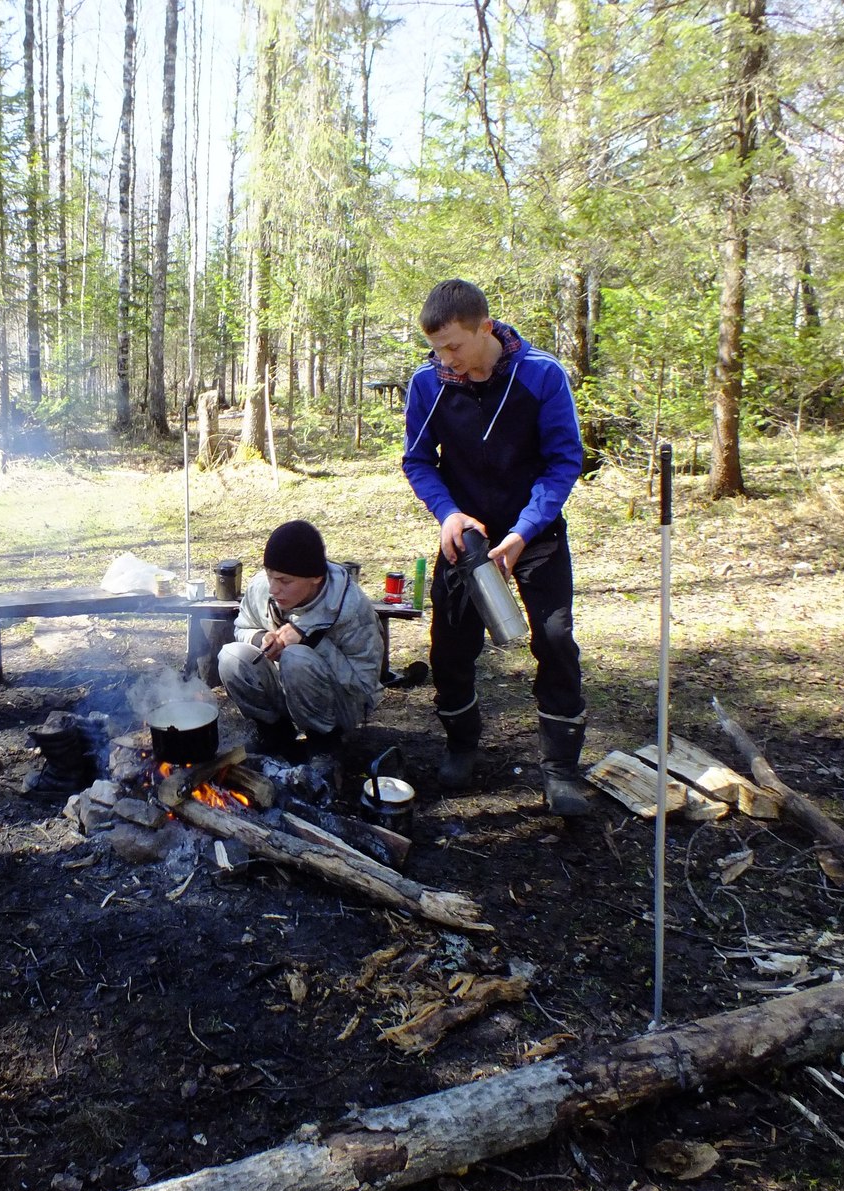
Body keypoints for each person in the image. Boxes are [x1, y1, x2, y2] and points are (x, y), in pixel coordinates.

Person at [401, 279, 595, 815]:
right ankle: (461, 744)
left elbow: (563, 462)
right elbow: (418, 460)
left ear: (486, 327)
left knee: (554, 641)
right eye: (437, 348)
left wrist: (524, 530)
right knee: (449, 646)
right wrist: (448, 514)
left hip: (535, 534)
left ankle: (559, 769)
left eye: (454, 346)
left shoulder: (541, 376)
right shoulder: (429, 382)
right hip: (467, 539)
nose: (446, 359)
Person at [217, 520, 384, 755]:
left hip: (340, 705)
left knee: (296, 657)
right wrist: (261, 640)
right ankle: (275, 734)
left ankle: (324, 745)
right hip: (286, 689)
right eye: (270, 576)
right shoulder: (262, 588)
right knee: (231, 656)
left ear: (315, 578)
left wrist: (312, 641)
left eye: (285, 581)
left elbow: (363, 686)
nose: (274, 589)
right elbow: (242, 627)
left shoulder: (350, 608)